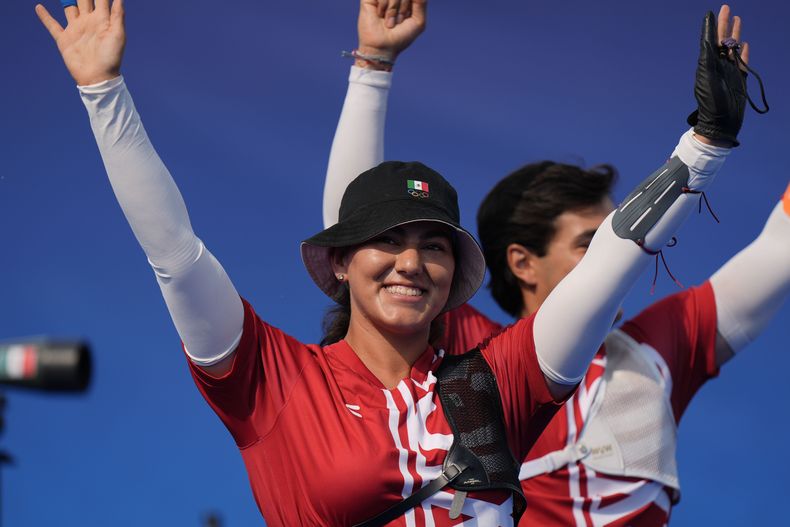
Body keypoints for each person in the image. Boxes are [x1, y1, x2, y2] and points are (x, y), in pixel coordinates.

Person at [37, 0, 748, 525]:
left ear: (453, 275)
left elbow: (604, 267)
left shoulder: (494, 382)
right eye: (389, 241)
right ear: (340, 261)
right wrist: (104, 95)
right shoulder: (271, 381)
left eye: (434, 245)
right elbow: (174, 253)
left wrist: (706, 146)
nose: (412, 261)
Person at [324, 2, 787, 525]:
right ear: (522, 263)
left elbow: (781, 248)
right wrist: (373, 66)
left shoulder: (663, 344)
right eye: (591, 243)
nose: (621, 253)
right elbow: (358, 228)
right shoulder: (468, 349)